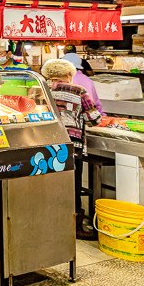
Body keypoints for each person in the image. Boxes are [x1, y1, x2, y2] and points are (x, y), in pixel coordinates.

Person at [42, 59, 103, 240]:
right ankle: (75, 228)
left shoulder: (43, 89)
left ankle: (52, 222)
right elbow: (94, 118)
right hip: (72, 146)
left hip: (48, 143)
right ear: (69, 75)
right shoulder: (79, 90)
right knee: (73, 186)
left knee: (53, 185)